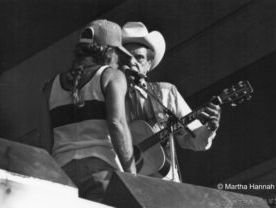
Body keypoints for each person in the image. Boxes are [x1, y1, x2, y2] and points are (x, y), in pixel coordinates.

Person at [38, 19, 136, 202]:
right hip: (101, 172)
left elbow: (45, 143)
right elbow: (117, 124)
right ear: (108, 52)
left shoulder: (50, 87)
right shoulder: (112, 76)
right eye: (117, 54)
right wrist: (132, 175)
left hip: (62, 176)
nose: (117, 61)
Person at [121, 22, 221, 182]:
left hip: (166, 182)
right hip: (125, 183)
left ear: (148, 64)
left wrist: (209, 127)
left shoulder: (166, 93)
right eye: (126, 57)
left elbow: (194, 140)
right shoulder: (107, 97)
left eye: (139, 57)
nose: (132, 62)